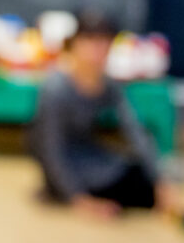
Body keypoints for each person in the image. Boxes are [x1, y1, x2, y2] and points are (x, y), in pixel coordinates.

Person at [28, 12, 175, 219]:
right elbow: (48, 147)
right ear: (74, 45)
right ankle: (59, 192)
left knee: (144, 179)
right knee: (134, 192)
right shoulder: (56, 88)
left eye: (104, 43)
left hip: (94, 158)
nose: (97, 50)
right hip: (64, 167)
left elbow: (135, 131)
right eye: (89, 41)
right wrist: (78, 200)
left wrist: (161, 181)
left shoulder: (109, 85)